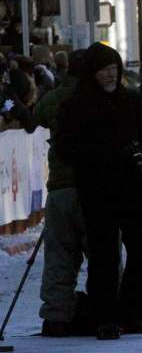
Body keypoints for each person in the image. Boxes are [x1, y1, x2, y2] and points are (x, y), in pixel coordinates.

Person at [55, 43, 142, 340]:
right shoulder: (78, 106)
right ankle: (105, 315)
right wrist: (102, 155)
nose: (111, 75)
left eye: (114, 69)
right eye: (105, 70)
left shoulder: (130, 101)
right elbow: (66, 148)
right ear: (93, 73)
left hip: (133, 187)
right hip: (98, 188)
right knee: (104, 255)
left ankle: (134, 310)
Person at [34, 50, 90, 337]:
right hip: (95, 188)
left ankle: (56, 315)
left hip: (60, 187)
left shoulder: (55, 98)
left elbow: (36, 115)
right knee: (104, 255)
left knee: (59, 255)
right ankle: (106, 308)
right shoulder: (101, 98)